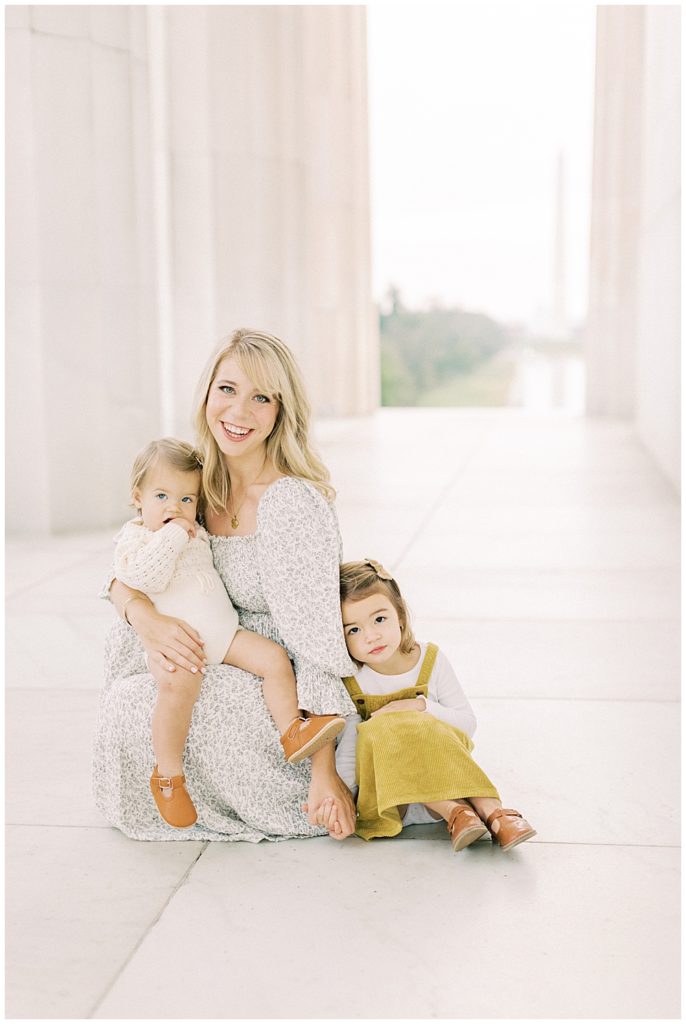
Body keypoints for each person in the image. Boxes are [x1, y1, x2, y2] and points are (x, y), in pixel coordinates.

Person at [93, 329, 357, 842]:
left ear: (282, 412)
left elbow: (316, 637)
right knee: (134, 698)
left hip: (271, 670)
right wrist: (147, 621)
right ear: (208, 393)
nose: (239, 412)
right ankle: (168, 784)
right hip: (193, 640)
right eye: (228, 390)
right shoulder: (192, 479)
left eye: (262, 397)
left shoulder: (290, 503)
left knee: (154, 708)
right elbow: (125, 565)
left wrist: (324, 768)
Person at [113, 436, 347, 829]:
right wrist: (171, 538)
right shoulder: (139, 536)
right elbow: (134, 576)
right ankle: (169, 776)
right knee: (178, 688)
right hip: (181, 643)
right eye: (161, 497)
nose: (175, 507)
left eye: (187, 500)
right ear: (137, 497)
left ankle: (293, 728)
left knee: (273, 659)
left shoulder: (213, 520)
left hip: (225, 632)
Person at [331, 558, 536, 852]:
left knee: (417, 720)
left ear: (400, 615)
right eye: (353, 630)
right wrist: (342, 798)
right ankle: (460, 811)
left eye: (379, 619)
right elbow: (351, 748)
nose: (371, 636)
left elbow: (467, 725)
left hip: (445, 784)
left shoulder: (430, 660)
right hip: (393, 801)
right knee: (378, 728)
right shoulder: (353, 681)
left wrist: (420, 707)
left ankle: (489, 812)